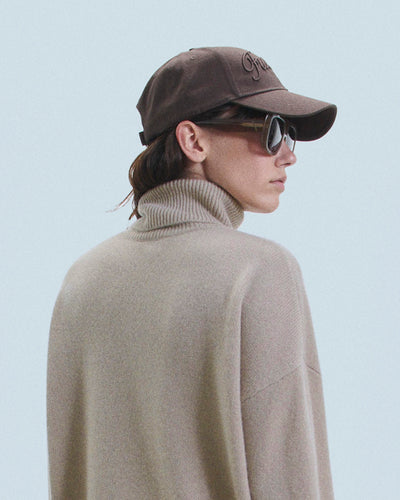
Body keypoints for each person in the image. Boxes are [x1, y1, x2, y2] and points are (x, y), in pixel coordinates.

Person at [47, 46, 337, 499]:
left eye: (290, 135)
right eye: (271, 131)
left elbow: (69, 474)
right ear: (193, 141)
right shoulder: (259, 273)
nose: (287, 155)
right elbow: (288, 475)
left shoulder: (83, 281)